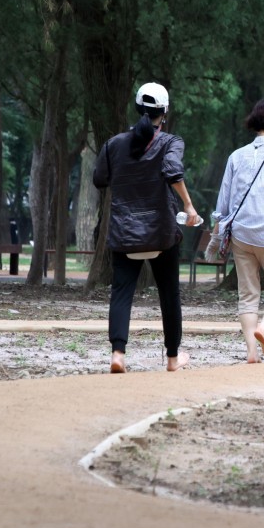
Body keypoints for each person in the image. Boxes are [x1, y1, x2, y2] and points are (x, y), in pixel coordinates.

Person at [93, 82, 199, 374]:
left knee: (122, 291)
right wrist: (189, 206)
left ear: (138, 108)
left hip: (124, 232)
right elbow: (173, 171)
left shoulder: (113, 144)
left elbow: (100, 179)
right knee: (169, 293)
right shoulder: (171, 141)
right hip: (161, 232)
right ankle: (173, 358)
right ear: (164, 112)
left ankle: (118, 354)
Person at [207, 99, 264, 364]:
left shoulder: (236, 156)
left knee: (248, 295)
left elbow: (222, 206)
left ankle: (251, 352)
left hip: (241, 235)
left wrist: (215, 238)